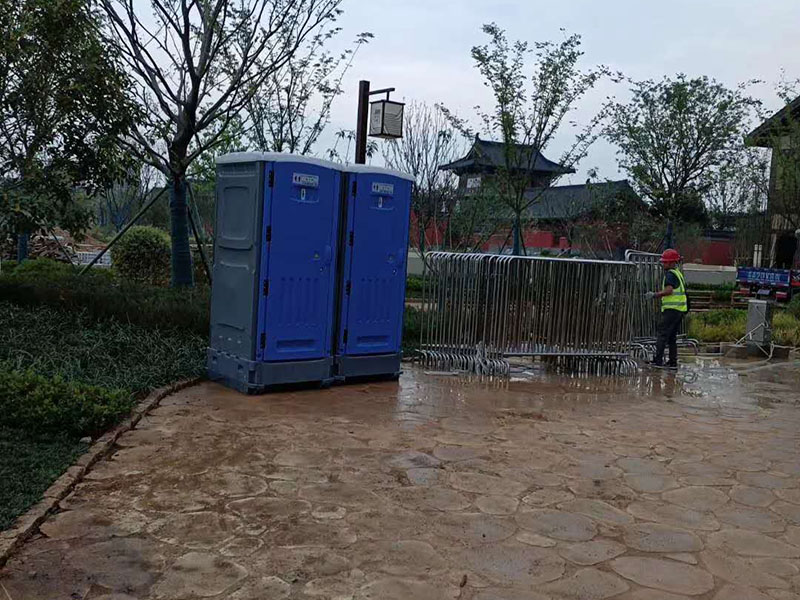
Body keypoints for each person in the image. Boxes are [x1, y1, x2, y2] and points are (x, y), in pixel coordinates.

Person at [645, 249, 687, 369]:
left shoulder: (670, 274)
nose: (663, 264)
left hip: (672, 309)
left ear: (671, 262)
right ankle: (672, 362)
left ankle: (658, 361)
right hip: (679, 310)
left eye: (665, 262)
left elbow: (669, 290)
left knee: (662, 334)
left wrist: (655, 295)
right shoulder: (678, 273)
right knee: (672, 337)